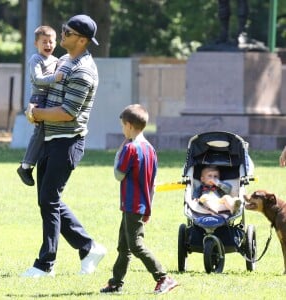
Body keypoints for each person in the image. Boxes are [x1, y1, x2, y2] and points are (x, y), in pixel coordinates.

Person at [21, 14, 106, 278]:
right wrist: (36, 111)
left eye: (66, 32)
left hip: (67, 142)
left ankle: (45, 264)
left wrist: (36, 113)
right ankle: (88, 247)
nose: (62, 35)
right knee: (48, 200)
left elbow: (68, 112)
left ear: (81, 40)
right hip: (51, 139)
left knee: (49, 200)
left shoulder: (83, 71)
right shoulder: (67, 61)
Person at [100, 104, 178, 295]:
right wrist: (149, 206)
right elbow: (152, 183)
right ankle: (116, 283)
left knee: (135, 245)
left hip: (131, 204)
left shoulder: (130, 149)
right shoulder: (150, 149)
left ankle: (163, 277)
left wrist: (119, 151)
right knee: (124, 246)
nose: (122, 130)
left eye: (122, 126)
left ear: (128, 125)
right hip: (141, 204)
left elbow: (118, 174)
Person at [17, 25, 63, 186]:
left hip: (50, 97)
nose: (48, 45)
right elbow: (37, 79)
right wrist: (55, 78)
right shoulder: (35, 59)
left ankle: (38, 160)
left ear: (56, 43)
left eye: (51, 42)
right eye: (44, 42)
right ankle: (25, 166)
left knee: (46, 132)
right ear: (36, 43)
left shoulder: (57, 60)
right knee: (40, 132)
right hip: (39, 98)